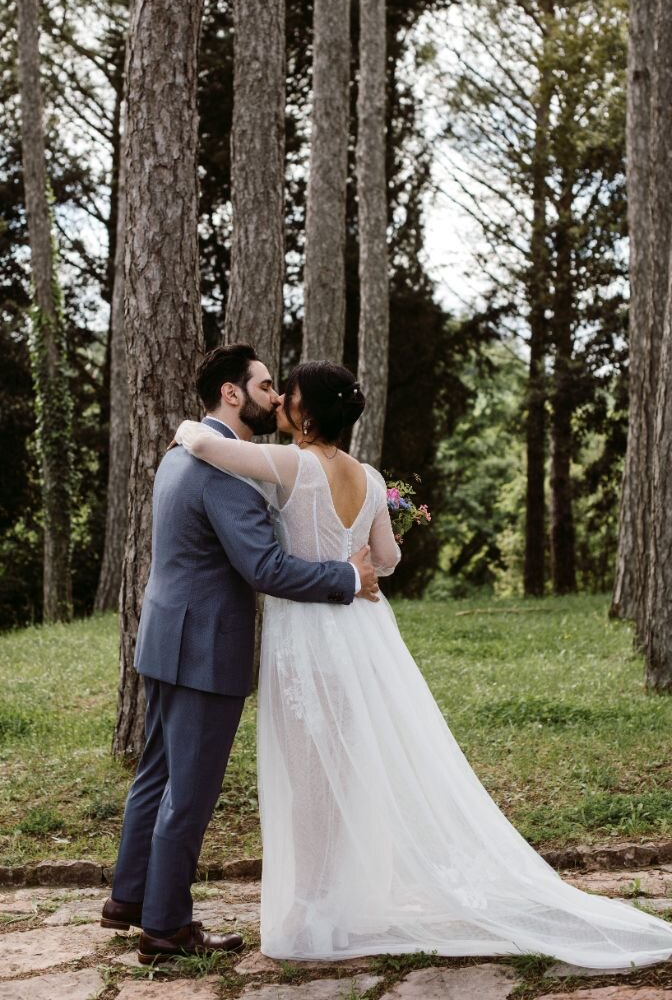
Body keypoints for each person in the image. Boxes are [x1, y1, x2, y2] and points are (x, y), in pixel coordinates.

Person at [174, 358, 672, 969]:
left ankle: (310, 913)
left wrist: (189, 432)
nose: (279, 403)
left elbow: (209, 447)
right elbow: (386, 558)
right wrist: (353, 563)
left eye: (289, 396)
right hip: (360, 632)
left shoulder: (291, 464)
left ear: (305, 413)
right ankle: (332, 904)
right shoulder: (370, 475)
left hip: (307, 636)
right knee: (341, 779)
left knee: (310, 783)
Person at [100, 344, 379, 965]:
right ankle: (165, 928)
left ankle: (129, 898)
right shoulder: (222, 471)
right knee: (189, 793)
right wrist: (347, 578)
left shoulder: (181, 453)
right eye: (265, 385)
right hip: (204, 649)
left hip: (166, 638)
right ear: (233, 393)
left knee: (157, 776)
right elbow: (264, 567)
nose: (276, 396)